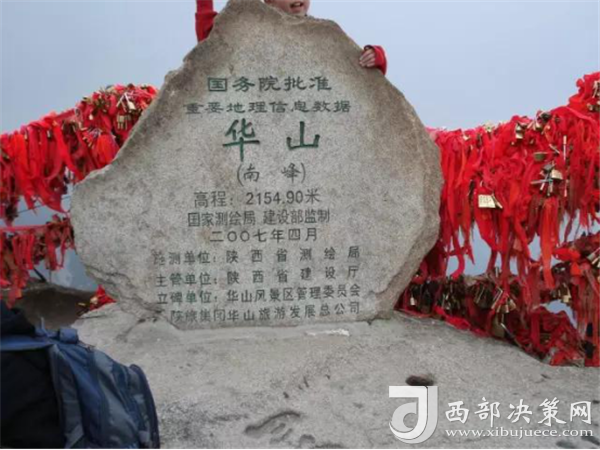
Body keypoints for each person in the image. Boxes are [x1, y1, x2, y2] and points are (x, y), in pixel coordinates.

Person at [195, 0, 388, 74]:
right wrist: (204, 5)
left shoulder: (322, 34)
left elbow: (355, 72)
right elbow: (209, 45)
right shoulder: (255, 31)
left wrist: (376, 57)